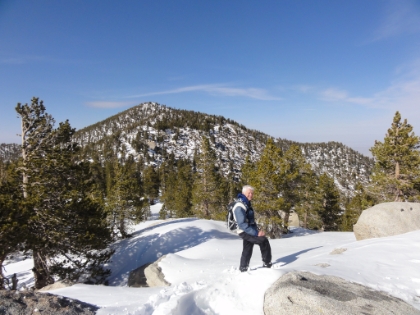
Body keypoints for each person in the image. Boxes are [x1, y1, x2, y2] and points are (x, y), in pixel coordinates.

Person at [233, 185, 272, 272]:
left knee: (248, 247)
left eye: (252, 193)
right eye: (248, 193)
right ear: (243, 193)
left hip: (247, 229)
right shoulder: (240, 205)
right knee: (263, 241)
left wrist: (255, 229)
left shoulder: (245, 203)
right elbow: (242, 223)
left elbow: (249, 219)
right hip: (244, 230)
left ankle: (243, 268)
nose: (250, 195)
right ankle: (267, 264)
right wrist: (256, 233)